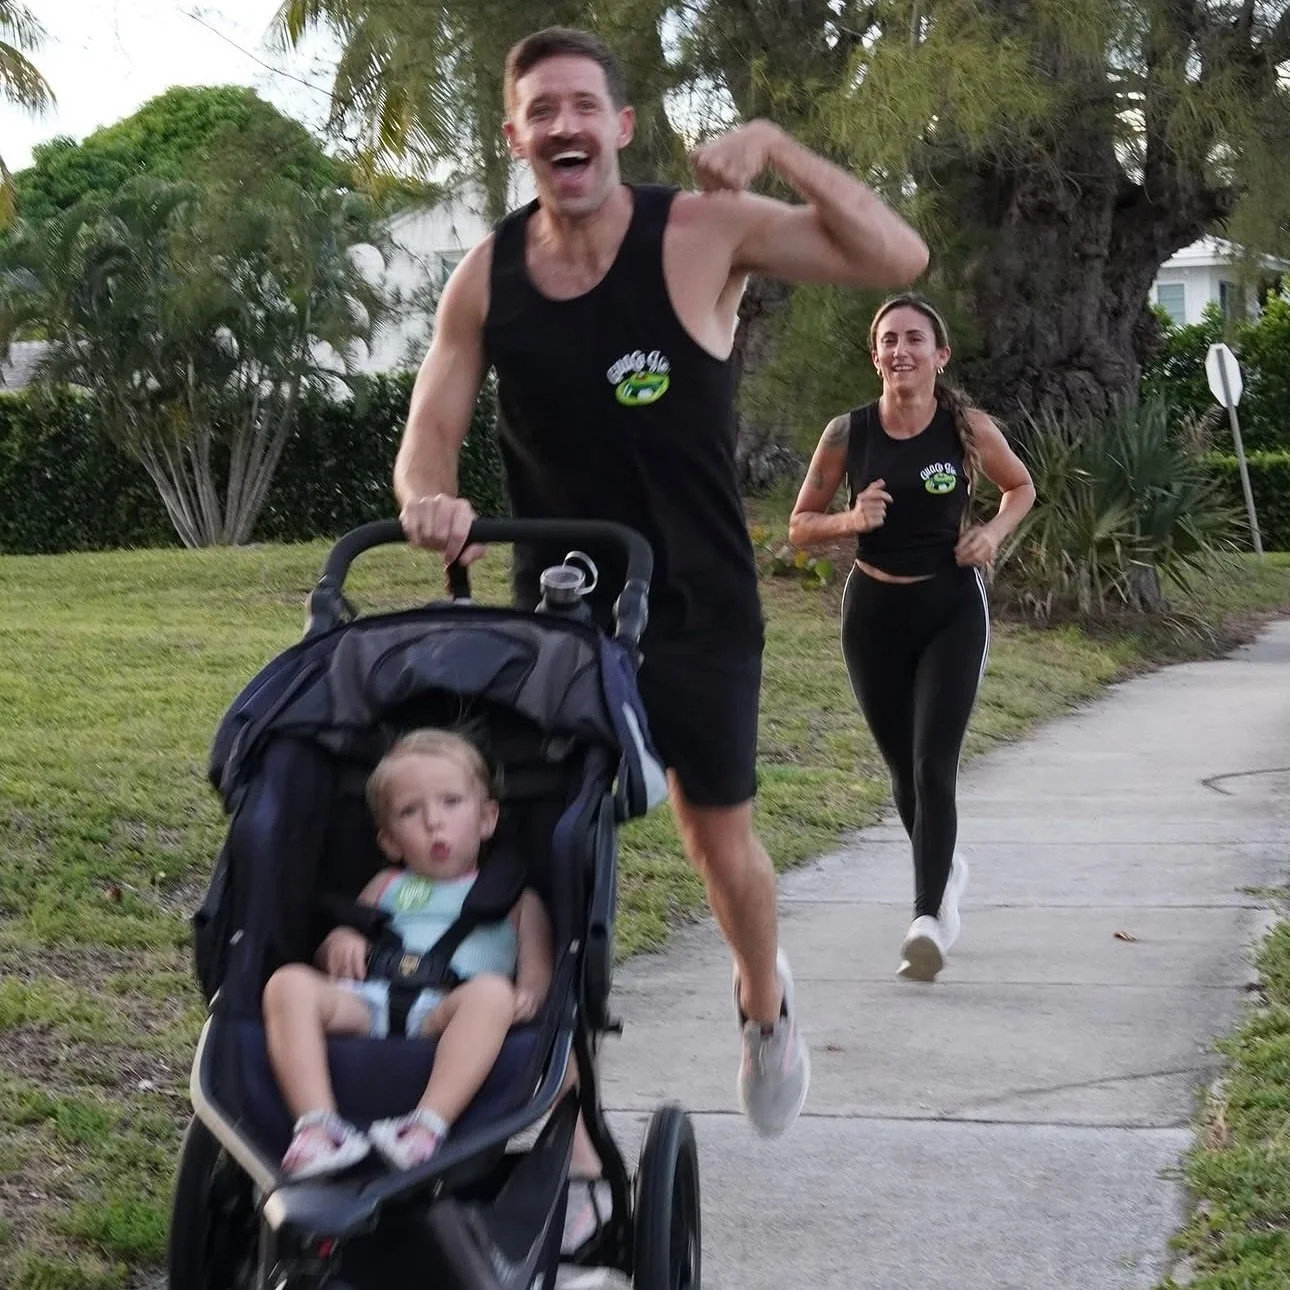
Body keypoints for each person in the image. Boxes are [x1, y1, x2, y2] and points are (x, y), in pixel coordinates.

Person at [388, 22, 928, 1202]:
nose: (566, 126)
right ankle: (565, 1114)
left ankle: (765, 1003)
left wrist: (776, 143)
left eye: (586, 105)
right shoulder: (487, 275)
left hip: (696, 605)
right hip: (562, 617)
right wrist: (431, 502)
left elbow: (898, 255)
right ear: (516, 135)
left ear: (621, 127)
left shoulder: (698, 231)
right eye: (543, 110)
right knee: (541, 857)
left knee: (713, 838)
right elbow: (426, 438)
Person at [788, 294, 1036, 981]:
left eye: (914, 339)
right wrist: (849, 521)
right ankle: (945, 866)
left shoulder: (968, 427)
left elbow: (1020, 487)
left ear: (939, 355)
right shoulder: (848, 433)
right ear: (876, 357)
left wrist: (989, 532)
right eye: (888, 340)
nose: (901, 350)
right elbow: (801, 522)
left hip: (952, 611)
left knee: (933, 763)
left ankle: (929, 917)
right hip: (873, 616)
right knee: (903, 771)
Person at [262, 729, 553, 1179]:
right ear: (391, 841)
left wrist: (530, 994)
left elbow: (538, 973)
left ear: (487, 818)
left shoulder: (517, 900)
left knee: (493, 993)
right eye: (410, 812)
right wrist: (340, 942)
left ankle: (424, 1128)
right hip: (368, 1003)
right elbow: (334, 950)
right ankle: (318, 1127)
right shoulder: (386, 886)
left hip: (448, 1013)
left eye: (451, 803)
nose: (433, 822)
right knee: (287, 984)